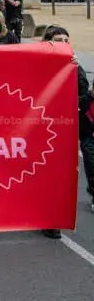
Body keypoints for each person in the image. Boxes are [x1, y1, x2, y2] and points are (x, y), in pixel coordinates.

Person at [41, 25, 92, 239]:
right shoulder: (39, 66)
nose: (63, 43)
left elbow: (82, 99)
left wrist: (87, 95)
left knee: (61, 175)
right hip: (41, 129)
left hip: (66, 129)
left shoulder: (76, 68)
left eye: (66, 40)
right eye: (58, 40)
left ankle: (53, 219)